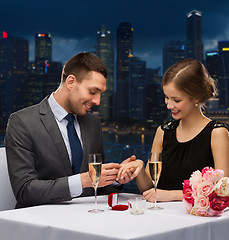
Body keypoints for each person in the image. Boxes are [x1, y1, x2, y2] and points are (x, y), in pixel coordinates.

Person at [5, 52, 133, 208]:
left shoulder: (93, 123)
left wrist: (117, 178)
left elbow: (98, 186)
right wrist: (83, 180)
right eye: (92, 92)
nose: (97, 101)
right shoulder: (22, 122)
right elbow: (25, 191)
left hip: (89, 219)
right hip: (40, 222)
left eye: (101, 94)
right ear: (71, 81)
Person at [117, 59, 229, 203]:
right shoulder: (163, 131)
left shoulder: (217, 133)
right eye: (166, 98)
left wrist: (172, 195)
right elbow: (149, 188)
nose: (169, 105)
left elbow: (223, 190)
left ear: (196, 97)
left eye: (176, 100)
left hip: (197, 220)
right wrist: (138, 168)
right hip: (160, 216)